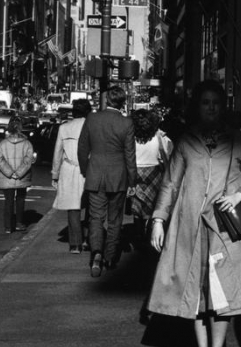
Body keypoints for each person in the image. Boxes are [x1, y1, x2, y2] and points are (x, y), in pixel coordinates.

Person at [148, 80, 241, 347]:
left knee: (223, 295)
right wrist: (159, 219)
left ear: (222, 106)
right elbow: (170, 183)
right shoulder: (186, 142)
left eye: (216, 102)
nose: (211, 107)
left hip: (225, 232)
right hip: (190, 229)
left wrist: (239, 195)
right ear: (197, 106)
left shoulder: (237, 140)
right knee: (197, 295)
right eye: (205, 102)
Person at [77, 86, 138, 277]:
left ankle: (96, 252)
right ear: (122, 103)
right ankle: (110, 257)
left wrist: (86, 171)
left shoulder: (92, 118)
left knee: (95, 217)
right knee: (115, 219)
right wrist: (132, 181)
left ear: (106, 100)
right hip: (118, 177)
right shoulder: (126, 123)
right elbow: (130, 155)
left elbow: (82, 149)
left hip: (95, 175)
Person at [52, 99, 92, 254]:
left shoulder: (64, 128)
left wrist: (55, 174)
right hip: (89, 168)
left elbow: (58, 153)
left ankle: (75, 244)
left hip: (69, 168)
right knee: (91, 205)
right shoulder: (92, 127)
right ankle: (89, 239)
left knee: (73, 207)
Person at [130, 108, 173, 236]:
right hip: (154, 173)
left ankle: (138, 232)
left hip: (135, 172)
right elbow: (168, 153)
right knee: (152, 204)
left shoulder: (131, 138)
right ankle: (150, 230)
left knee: (136, 205)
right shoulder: (159, 137)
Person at [0, 117, 35, 234]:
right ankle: (19, 223)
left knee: (8, 200)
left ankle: (8, 226)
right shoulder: (27, 143)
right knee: (20, 199)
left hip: (7, 177)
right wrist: (19, 173)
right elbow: (28, 160)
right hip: (22, 176)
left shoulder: (3, 143)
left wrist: (10, 173)